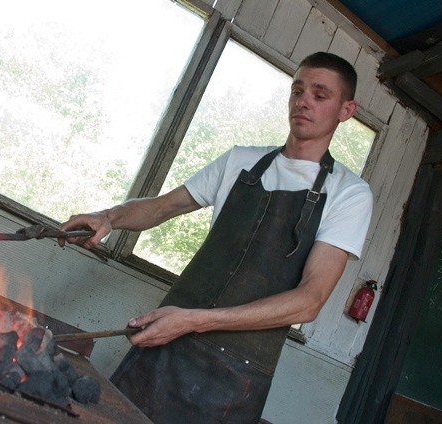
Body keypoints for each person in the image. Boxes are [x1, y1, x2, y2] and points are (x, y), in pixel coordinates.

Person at [60, 52, 373, 423]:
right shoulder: (240, 160)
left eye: (320, 95)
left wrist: (194, 321)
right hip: (165, 343)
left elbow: (308, 301)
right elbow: (161, 207)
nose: (302, 101)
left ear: (346, 109)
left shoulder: (348, 194)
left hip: (235, 375)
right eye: (297, 90)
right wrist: (107, 217)